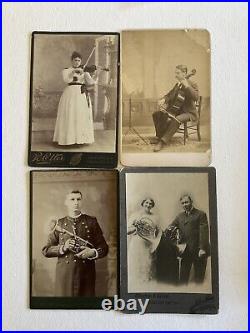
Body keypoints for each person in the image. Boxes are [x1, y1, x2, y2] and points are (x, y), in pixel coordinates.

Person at [42, 190, 108, 297]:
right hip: (65, 276)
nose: (76, 202)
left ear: (82, 202)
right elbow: (46, 250)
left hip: (86, 274)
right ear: (66, 202)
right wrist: (64, 247)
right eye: (72, 199)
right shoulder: (59, 223)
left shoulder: (91, 221)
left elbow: (104, 248)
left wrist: (92, 252)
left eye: (78, 199)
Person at [53, 51, 99, 146]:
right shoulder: (66, 70)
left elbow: (91, 82)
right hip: (70, 93)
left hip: (81, 93)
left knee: (80, 114)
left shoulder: (84, 71)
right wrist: (73, 72)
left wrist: (97, 74)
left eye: (79, 61)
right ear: (72, 61)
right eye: (75, 60)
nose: (77, 62)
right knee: (70, 113)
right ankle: (68, 139)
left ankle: (80, 139)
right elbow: (66, 80)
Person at [151, 65, 199, 152]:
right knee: (156, 114)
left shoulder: (192, 84)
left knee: (176, 119)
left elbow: (196, 97)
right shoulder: (178, 84)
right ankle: (159, 136)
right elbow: (170, 94)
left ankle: (162, 141)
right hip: (177, 110)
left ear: (184, 73)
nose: (175, 75)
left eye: (178, 73)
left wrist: (187, 86)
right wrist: (164, 99)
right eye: (175, 73)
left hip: (189, 112)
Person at [166, 194, 210, 284]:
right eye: (182, 203)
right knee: (183, 278)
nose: (184, 204)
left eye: (186, 202)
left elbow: (204, 232)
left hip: (199, 251)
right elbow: (170, 228)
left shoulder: (201, 214)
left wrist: (202, 249)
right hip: (185, 251)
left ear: (191, 202)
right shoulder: (179, 216)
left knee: (199, 278)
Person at [127, 198, 160, 286]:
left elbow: (157, 232)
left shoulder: (155, 217)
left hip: (148, 244)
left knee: (148, 266)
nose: (148, 205)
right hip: (137, 243)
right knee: (136, 265)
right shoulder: (135, 215)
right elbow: (126, 231)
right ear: (143, 204)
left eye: (150, 203)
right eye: (146, 203)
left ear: (152, 206)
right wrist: (136, 228)